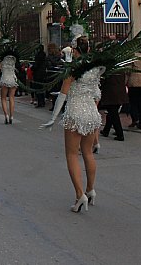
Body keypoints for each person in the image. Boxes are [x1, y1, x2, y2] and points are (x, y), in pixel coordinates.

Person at [40, 37, 101, 213]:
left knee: (72, 154)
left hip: (75, 112)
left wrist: (53, 117)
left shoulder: (73, 69)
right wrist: (92, 110)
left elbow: (63, 94)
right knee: (88, 152)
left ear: (74, 51)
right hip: (91, 113)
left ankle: (79, 195)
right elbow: (97, 94)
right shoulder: (94, 68)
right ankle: (91, 189)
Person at [0, 50, 18, 124]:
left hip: (4, 80)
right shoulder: (14, 60)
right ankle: (12, 116)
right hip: (12, 80)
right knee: (12, 98)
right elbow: (13, 71)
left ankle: (6, 115)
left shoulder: (2, 61)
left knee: (3, 98)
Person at [99, 73, 129, 141]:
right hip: (120, 92)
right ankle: (106, 130)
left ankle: (120, 134)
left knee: (113, 113)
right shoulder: (120, 70)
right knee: (112, 112)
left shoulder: (109, 70)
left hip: (111, 93)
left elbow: (103, 81)